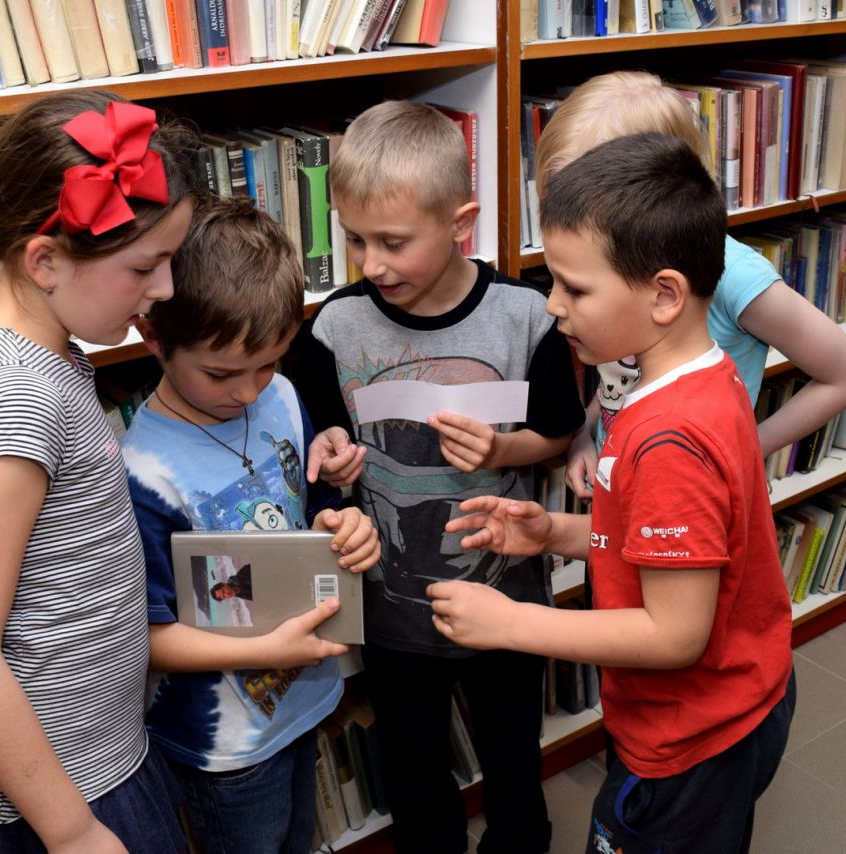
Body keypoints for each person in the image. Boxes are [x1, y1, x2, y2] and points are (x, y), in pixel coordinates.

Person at [430, 133, 796, 854]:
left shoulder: (669, 438)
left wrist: (513, 623)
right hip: (734, 707)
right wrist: (555, 534)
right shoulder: (699, 380)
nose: (552, 306)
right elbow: (673, 542)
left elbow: (674, 633)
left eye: (574, 288)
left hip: (690, 739)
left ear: (663, 295)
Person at [288, 100, 585, 854]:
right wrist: (332, 456)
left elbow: (559, 432)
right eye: (354, 239)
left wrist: (499, 453)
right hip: (393, 612)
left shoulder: (528, 317)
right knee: (414, 769)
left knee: (513, 759)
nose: (371, 264)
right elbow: (317, 442)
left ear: (461, 223)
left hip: (507, 599)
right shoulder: (333, 328)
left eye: (394, 242)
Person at [0, 91, 197, 852]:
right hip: (55, 803)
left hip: (90, 758)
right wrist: (73, 832)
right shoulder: (18, 396)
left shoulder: (21, 346)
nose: (166, 289)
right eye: (146, 265)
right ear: (43, 261)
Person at [122, 195, 380, 854]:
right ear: (153, 339)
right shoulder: (144, 474)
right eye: (220, 373)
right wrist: (266, 651)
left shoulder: (283, 397)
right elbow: (148, 639)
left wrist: (339, 520)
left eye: (269, 362)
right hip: (228, 747)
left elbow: (305, 509)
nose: (247, 391)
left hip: (303, 699)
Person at [535, 71, 846, 496]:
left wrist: (739, 454)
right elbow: (622, 373)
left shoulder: (736, 276)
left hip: (690, 498)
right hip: (621, 484)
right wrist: (585, 433)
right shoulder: (607, 271)